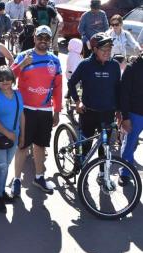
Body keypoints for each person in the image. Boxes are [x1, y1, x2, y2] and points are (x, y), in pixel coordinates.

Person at [11, 25, 62, 195]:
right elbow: (8, 78)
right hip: (25, 109)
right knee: (23, 146)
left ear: (50, 40)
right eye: (40, 37)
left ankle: (39, 177)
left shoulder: (55, 60)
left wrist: (57, 110)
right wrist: (22, 65)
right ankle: (17, 179)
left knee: (40, 146)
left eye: (46, 38)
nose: (43, 41)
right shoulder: (23, 56)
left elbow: (58, 87)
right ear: (34, 38)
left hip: (45, 110)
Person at [68, 32, 121, 178]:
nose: (107, 52)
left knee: (105, 147)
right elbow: (71, 83)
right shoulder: (85, 64)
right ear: (95, 49)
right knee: (86, 146)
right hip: (89, 112)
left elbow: (118, 88)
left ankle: (103, 173)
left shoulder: (114, 66)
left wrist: (119, 110)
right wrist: (77, 102)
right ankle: (80, 171)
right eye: (104, 49)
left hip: (108, 113)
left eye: (110, 49)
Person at [0, 65, 24, 213]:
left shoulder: (17, 94)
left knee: (6, 166)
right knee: (1, 167)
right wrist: (8, 133)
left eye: (8, 78)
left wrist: (23, 136)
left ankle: (2, 192)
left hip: (14, 137)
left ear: (12, 79)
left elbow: (22, 115)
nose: (5, 81)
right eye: (1, 79)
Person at [119, 52, 143, 186]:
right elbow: (124, 94)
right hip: (136, 114)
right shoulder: (132, 67)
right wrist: (125, 117)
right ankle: (125, 172)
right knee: (129, 144)